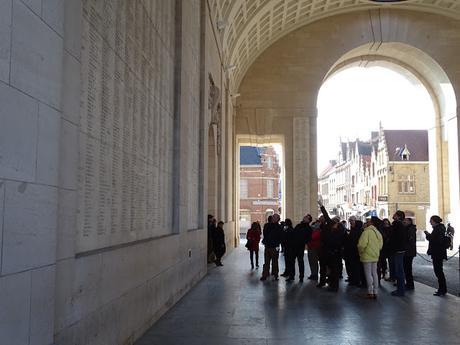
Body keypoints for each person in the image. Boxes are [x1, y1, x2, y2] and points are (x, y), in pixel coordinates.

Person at [319, 202, 345, 292]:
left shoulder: (341, 230)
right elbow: (326, 215)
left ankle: (335, 286)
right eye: (334, 221)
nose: (334, 223)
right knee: (329, 269)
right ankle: (330, 284)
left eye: (336, 221)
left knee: (335, 270)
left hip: (335, 253)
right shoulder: (332, 227)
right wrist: (322, 206)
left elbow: (341, 242)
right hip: (328, 252)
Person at [358, 217, 383, 299]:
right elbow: (380, 245)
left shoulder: (366, 232)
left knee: (368, 274)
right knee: (374, 273)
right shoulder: (377, 232)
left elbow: (362, 245)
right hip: (375, 255)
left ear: (372, 223)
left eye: (369, 221)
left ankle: (370, 291)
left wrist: (361, 251)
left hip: (367, 255)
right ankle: (375, 291)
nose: (367, 222)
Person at [424, 216, 448, 296]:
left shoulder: (438, 229)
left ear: (435, 221)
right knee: (438, 271)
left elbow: (436, 240)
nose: (430, 222)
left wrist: (428, 235)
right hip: (438, 252)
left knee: (438, 271)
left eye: (431, 221)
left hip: (438, 253)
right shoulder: (438, 228)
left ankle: (442, 289)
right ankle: (442, 289)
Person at [389, 210, 408, 297]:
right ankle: (400, 289)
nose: (393, 215)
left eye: (395, 215)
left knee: (399, 271)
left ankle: (401, 291)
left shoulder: (397, 224)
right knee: (399, 270)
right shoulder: (400, 225)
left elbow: (396, 238)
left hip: (398, 250)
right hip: (399, 249)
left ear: (399, 216)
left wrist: (393, 247)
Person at [286, 216, 311, 282]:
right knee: (291, 261)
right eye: (304, 217)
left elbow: (308, 238)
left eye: (306, 218)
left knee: (300, 262)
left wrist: (302, 242)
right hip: (293, 246)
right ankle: (291, 276)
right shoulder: (299, 225)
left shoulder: (308, 228)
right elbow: (293, 233)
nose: (304, 218)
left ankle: (301, 277)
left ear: (308, 220)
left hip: (300, 247)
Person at [260, 214, 282, 281]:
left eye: (274, 217)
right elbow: (265, 234)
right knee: (266, 262)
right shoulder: (267, 225)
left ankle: (275, 275)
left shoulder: (279, 227)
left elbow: (280, 237)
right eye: (273, 217)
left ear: (277, 219)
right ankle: (265, 275)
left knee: (275, 261)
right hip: (268, 246)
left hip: (275, 247)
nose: (273, 217)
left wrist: (277, 243)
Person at [343, 216, 363, 286]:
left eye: (352, 220)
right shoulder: (352, 229)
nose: (350, 222)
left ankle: (356, 280)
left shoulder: (358, 230)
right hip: (350, 252)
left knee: (355, 267)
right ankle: (352, 278)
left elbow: (355, 241)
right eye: (350, 220)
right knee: (351, 266)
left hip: (355, 252)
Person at [403, 218, 417, 290]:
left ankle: (410, 284)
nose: (404, 221)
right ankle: (409, 283)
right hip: (408, 251)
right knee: (407, 269)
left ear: (409, 222)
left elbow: (409, 239)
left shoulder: (410, 229)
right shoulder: (409, 228)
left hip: (409, 252)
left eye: (406, 220)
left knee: (408, 268)